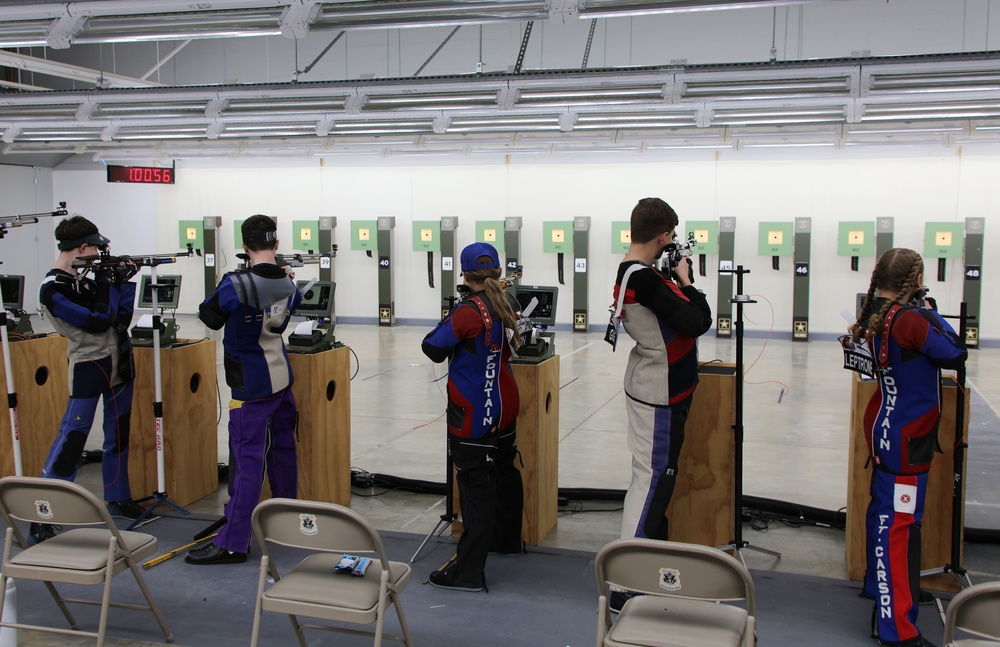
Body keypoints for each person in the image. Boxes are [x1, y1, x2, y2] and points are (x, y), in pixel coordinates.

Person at [850, 248, 966, 647]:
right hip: (906, 434)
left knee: (886, 514)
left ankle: (880, 589)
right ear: (914, 281)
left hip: (887, 423)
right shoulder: (912, 319)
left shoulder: (877, 312)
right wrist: (930, 310)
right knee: (898, 525)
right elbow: (955, 351)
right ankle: (897, 629)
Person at [608, 197, 712, 608]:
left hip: (658, 387)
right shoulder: (646, 280)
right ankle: (624, 583)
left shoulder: (636, 272)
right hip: (659, 393)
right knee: (650, 480)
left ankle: (642, 564)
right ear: (665, 235)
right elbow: (697, 320)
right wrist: (688, 283)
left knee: (654, 478)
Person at [186, 214, 302, 565]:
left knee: (248, 461)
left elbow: (209, 317)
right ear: (277, 245)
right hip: (281, 378)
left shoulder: (235, 284)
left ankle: (233, 541)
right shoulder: (289, 282)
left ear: (244, 246)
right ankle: (285, 523)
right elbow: (284, 319)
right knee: (283, 451)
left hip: (250, 385)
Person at [32, 216, 144, 544]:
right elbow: (96, 322)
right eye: (95, 249)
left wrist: (122, 282)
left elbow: (119, 319)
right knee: (72, 440)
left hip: (119, 363)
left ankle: (118, 496)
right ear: (81, 248)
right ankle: (43, 512)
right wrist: (108, 282)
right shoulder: (52, 288)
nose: (97, 255)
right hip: (89, 367)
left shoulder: (84, 280)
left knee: (118, 436)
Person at [421, 242, 525, 592]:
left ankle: (467, 571)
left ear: (464, 275)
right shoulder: (507, 301)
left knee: (476, 486)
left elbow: (432, 347)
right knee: (505, 471)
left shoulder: (468, 312)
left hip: (475, 412)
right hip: (505, 404)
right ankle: (507, 540)